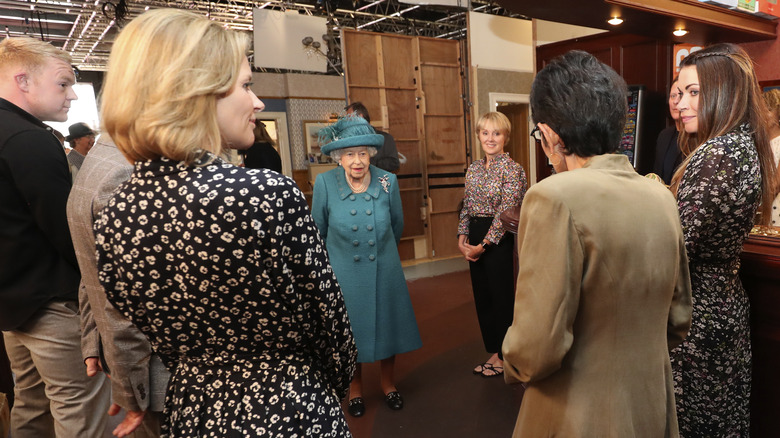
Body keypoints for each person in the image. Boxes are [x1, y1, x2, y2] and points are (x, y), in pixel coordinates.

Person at [94, 9, 357, 437]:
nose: (256, 102)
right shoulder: (264, 194)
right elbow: (330, 325)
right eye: (247, 85)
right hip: (287, 407)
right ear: (196, 92)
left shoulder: (116, 215)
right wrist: (320, 389)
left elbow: (138, 324)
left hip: (192, 410)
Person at [502, 50, 693, 437]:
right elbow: (678, 319)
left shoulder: (552, 197)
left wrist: (512, 363)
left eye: (540, 135)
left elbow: (537, 347)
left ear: (552, 134)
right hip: (651, 402)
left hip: (579, 411)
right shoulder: (661, 196)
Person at [0, 36, 111, 437]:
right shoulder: (27, 138)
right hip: (53, 303)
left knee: (31, 406)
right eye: (63, 84)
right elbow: (67, 231)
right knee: (81, 412)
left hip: (14, 302)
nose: (71, 97)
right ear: (23, 80)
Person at [670, 43, 777, 437]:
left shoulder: (718, 153)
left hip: (698, 315)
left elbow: (676, 249)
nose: (681, 102)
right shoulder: (743, 145)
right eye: (680, 92)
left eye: (694, 91)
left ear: (724, 92)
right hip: (723, 305)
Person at [311, 115, 422, 417]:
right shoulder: (325, 183)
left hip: (384, 267)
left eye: (362, 152)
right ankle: (355, 388)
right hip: (344, 272)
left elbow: (397, 225)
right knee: (352, 332)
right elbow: (317, 230)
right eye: (349, 153)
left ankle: (388, 384)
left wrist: (384, 253)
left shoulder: (388, 181)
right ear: (339, 157)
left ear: (371, 154)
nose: (357, 160)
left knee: (389, 326)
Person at [67, 134, 170, 438]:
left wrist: (92, 340)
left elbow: (94, 272)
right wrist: (131, 391)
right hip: (158, 373)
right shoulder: (125, 172)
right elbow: (124, 300)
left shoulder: (102, 157)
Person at [457, 111, 526, 378]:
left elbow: (505, 213)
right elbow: (467, 207)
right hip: (474, 235)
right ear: (478, 135)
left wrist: (482, 246)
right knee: (483, 298)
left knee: (502, 299)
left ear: (505, 137)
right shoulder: (473, 168)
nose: (490, 138)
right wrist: (462, 239)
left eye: (496, 133)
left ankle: (505, 356)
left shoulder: (512, 169)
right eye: (485, 132)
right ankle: (495, 351)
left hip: (498, 240)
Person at [345, 101, 400, 172]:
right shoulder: (348, 140)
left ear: (360, 117)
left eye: (349, 118)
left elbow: (394, 163)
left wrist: (370, 162)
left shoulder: (384, 138)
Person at [653, 77, 684, 184]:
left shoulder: (698, 138)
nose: (676, 101)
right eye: (672, 96)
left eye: (680, 95)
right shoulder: (664, 136)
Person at [762, 89, 780, 226]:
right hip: (759, 212)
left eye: (768, 110)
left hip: (775, 211)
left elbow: (775, 185)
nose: (763, 115)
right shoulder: (758, 143)